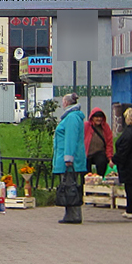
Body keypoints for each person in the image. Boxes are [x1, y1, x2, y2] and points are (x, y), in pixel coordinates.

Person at [52, 93, 87, 224]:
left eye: (63, 102)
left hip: (69, 160)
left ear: (66, 103)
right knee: (69, 186)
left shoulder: (72, 118)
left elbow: (70, 139)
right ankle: (70, 214)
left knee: (71, 187)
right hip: (67, 158)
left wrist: (68, 158)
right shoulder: (71, 117)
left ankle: (74, 215)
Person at [84, 108, 113, 177]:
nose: (99, 119)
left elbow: (109, 143)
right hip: (86, 154)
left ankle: (100, 182)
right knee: (85, 174)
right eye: (96, 117)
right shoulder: (86, 126)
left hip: (99, 153)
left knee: (101, 163)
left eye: (100, 117)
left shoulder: (105, 127)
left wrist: (110, 158)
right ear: (92, 118)